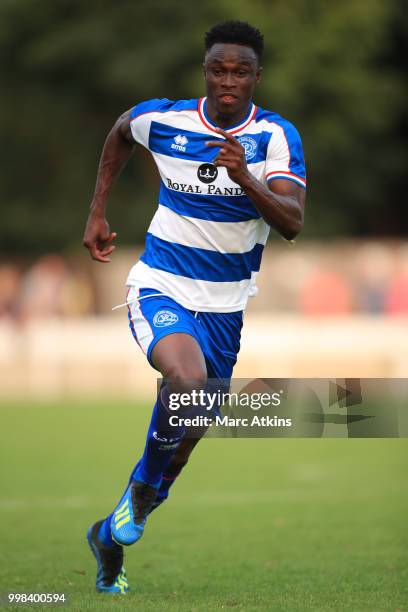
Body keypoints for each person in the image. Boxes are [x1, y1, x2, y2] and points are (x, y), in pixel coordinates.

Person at [83, 20, 306, 594]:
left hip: (226, 309)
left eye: (240, 71)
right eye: (217, 69)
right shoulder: (167, 118)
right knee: (184, 380)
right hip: (162, 285)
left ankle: (111, 534)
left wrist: (246, 178)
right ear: (205, 70)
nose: (227, 80)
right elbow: (120, 133)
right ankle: (139, 491)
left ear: (257, 76)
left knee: (191, 428)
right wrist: (98, 210)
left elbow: (291, 222)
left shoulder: (276, 137)